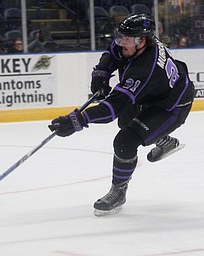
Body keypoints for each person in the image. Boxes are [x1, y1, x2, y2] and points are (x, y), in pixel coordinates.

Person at [49, 13, 194, 216]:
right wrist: (101, 73)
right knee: (126, 121)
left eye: (126, 39)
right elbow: (112, 52)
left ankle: (118, 192)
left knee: (125, 141)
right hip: (153, 95)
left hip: (171, 106)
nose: (121, 43)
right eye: (121, 37)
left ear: (142, 41)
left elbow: (112, 109)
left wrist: (77, 120)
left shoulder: (144, 68)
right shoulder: (138, 43)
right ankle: (165, 141)